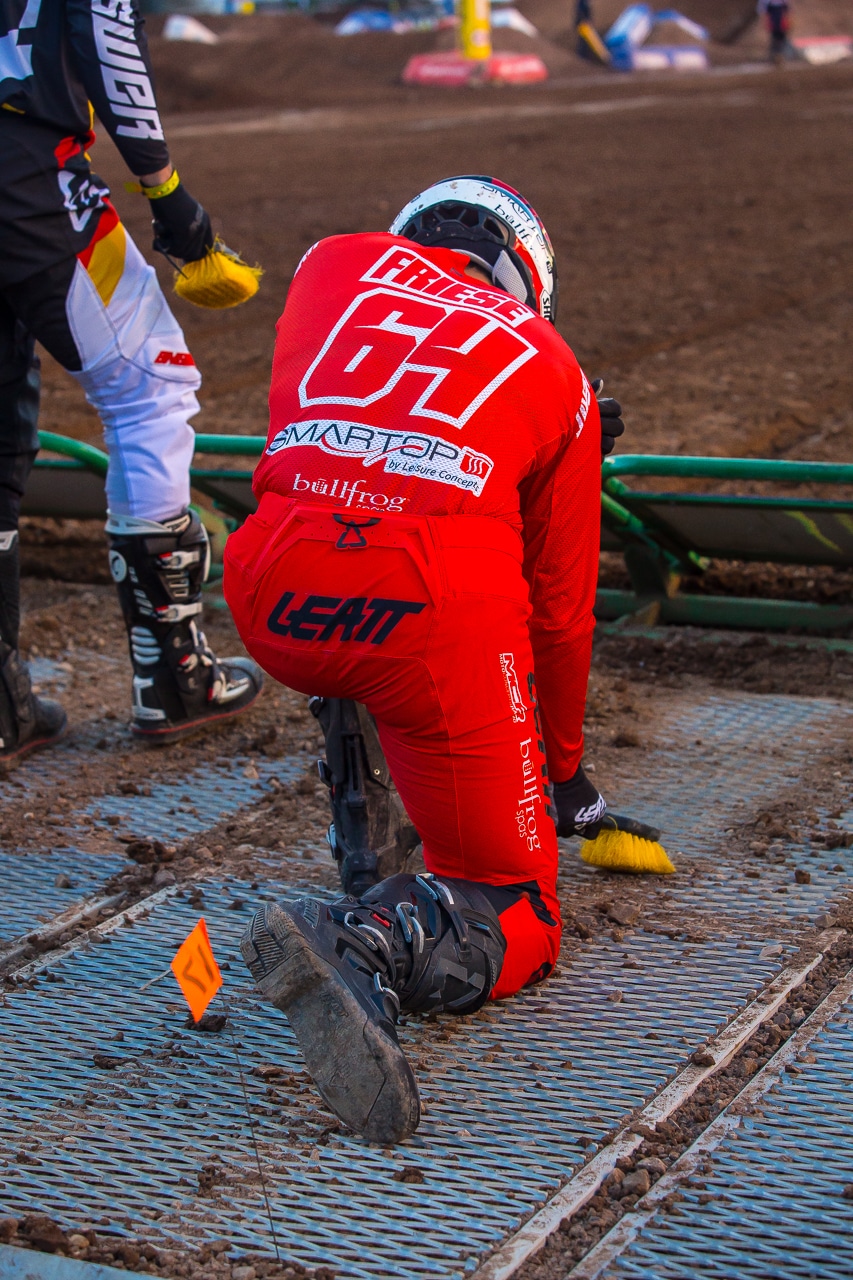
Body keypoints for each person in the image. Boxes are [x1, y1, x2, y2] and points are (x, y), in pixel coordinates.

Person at [226, 176, 620, 1143]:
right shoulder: (555, 370)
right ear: (526, 272)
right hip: (422, 617)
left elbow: (369, 434)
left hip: (271, 588)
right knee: (521, 905)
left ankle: (365, 840)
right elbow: (561, 615)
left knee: (363, 600)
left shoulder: (328, 265)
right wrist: (560, 774)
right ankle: (372, 938)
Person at [0, 0, 263, 766]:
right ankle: (175, 681)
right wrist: (166, 190)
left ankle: (3, 708)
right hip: (28, 179)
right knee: (151, 389)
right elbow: (106, 31)